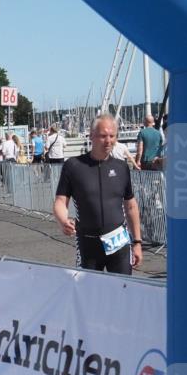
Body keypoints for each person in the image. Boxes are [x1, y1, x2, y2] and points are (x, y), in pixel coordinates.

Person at [53, 114, 143, 274]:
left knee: (122, 292)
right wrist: (63, 220)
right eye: (103, 136)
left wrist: (137, 242)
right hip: (88, 244)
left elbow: (131, 206)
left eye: (112, 136)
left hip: (119, 243)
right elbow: (60, 201)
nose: (108, 141)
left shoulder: (121, 167)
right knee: (88, 296)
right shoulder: (73, 166)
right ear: (91, 136)